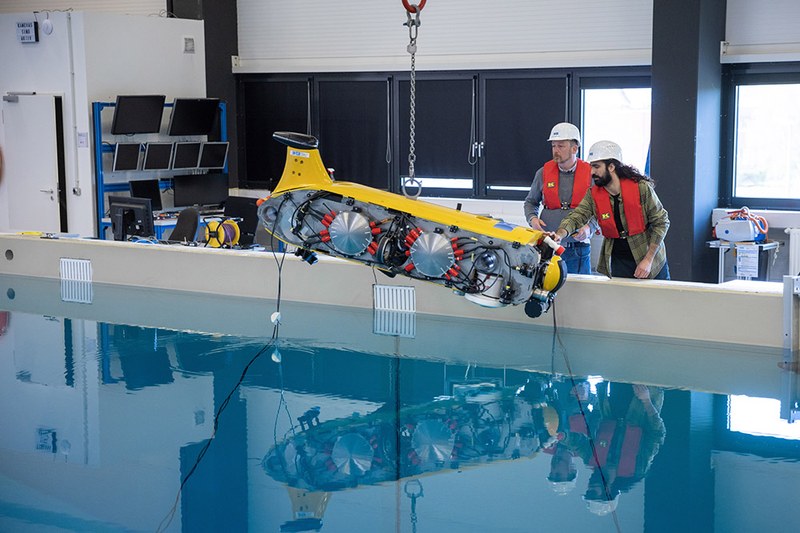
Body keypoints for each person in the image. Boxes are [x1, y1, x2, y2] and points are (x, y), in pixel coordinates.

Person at [552, 140, 670, 279]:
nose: (591, 172)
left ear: (612, 167)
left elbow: (662, 222)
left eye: (596, 167)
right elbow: (576, 216)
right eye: (591, 167)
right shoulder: (593, 194)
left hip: (649, 259)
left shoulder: (641, 188)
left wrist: (648, 260)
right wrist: (559, 234)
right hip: (618, 262)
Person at [524, 122, 596, 274]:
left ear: (574, 148)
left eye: (561, 146)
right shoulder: (543, 173)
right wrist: (532, 219)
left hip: (578, 249)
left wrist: (590, 228)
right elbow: (531, 202)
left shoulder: (591, 174)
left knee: (581, 294)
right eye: (553, 146)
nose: (556, 150)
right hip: (548, 248)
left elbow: (602, 208)